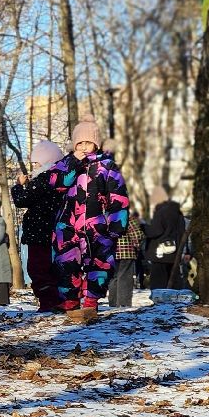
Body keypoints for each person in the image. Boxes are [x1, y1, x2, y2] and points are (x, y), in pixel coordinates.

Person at [52, 119, 130, 325]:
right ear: (73, 145)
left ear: (96, 144)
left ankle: (91, 301)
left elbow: (118, 195)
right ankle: (70, 301)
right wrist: (70, 164)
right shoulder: (66, 164)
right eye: (80, 143)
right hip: (67, 225)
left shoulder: (106, 166)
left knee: (99, 262)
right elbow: (54, 184)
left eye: (88, 142)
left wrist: (115, 225)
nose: (84, 147)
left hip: (96, 226)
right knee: (65, 262)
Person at [11, 142, 67, 311]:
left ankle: (48, 302)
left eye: (36, 163)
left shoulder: (43, 180)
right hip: (52, 231)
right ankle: (55, 299)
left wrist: (18, 186)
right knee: (49, 267)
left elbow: (22, 200)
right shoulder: (58, 180)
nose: (33, 167)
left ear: (46, 162)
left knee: (37, 268)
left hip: (39, 232)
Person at [142, 190, 188, 292]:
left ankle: (160, 302)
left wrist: (143, 227)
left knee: (159, 281)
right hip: (175, 252)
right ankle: (173, 300)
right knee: (173, 279)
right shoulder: (178, 213)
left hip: (160, 253)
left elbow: (155, 231)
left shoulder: (160, 212)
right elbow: (182, 232)